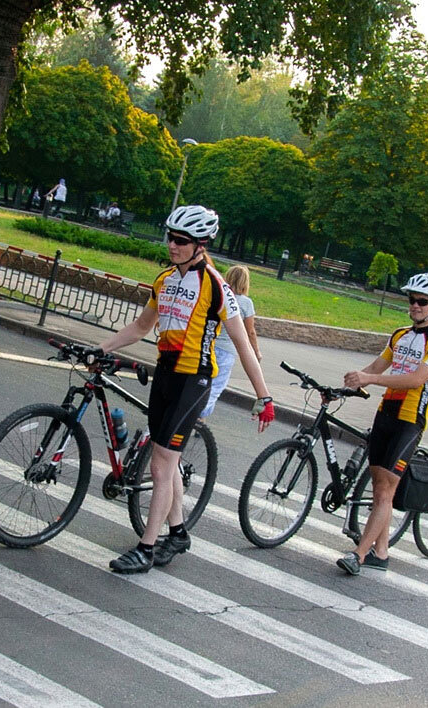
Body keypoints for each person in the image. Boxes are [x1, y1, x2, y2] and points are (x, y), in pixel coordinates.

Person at [92, 204, 276, 574]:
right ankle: (177, 533)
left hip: (194, 380)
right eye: (170, 237)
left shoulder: (216, 286)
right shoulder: (166, 280)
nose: (172, 245)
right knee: (167, 461)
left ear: (201, 244)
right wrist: (102, 348)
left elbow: (242, 343)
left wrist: (264, 395)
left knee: (161, 464)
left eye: (181, 241)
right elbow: (142, 327)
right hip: (165, 374)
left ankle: (146, 547)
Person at [336, 273, 428, 575]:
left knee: (386, 491)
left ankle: (359, 554)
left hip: (409, 421)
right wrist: (351, 382)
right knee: (378, 487)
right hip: (385, 414)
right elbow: (377, 366)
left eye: (422, 302)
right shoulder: (400, 334)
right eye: (411, 300)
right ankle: (381, 551)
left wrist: (371, 379)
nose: (414, 305)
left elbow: (416, 380)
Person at [199, 265, 261, 419]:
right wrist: (256, 352)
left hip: (208, 345)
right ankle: (193, 418)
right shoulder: (246, 303)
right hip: (227, 351)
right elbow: (250, 332)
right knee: (214, 389)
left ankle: (199, 424)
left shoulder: (220, 295)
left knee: (201, 384)